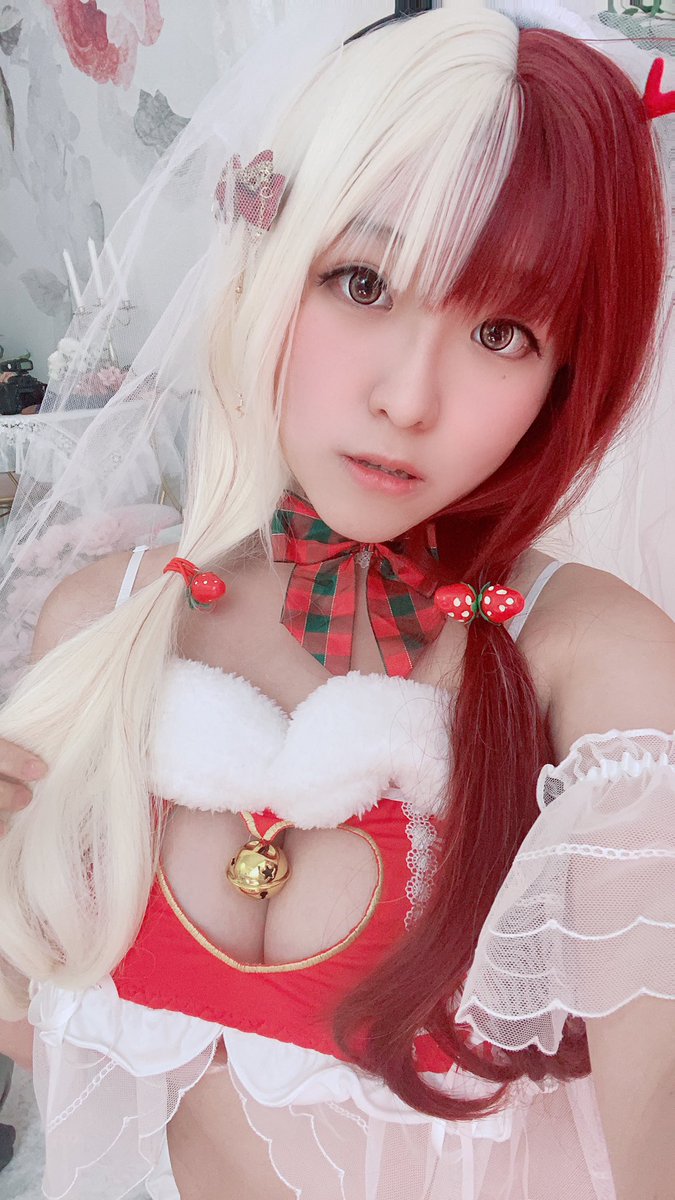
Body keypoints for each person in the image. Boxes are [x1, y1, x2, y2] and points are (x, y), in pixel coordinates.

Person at [0, 1, 673, 1197]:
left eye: (503, 332)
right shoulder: (108, 627)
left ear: (569, 374)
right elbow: (80, 1077)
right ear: (267, 261)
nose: (408, 398)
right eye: (362, 282)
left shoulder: (600, 676)